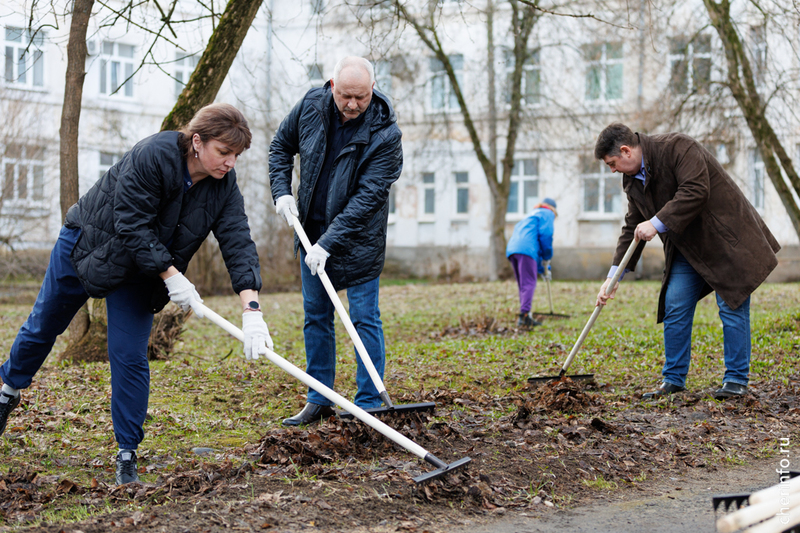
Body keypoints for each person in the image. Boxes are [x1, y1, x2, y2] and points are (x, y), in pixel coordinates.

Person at [0, 103, 273, 484]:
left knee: (129, 356)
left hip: (143, 271)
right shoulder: (153, 155)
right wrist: (173, 277)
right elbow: (131, 223)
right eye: (224, 152)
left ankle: (127, 454)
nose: (230, 162)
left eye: (236, 155)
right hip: (89, 246)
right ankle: (7, 391)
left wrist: (252, 309)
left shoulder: (223, 185)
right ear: (197, 141)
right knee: (44, 325)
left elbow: (238, 241)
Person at [594, 123, 780, 400]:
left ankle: (736, 380)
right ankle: (673, 380)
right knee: (675, 305)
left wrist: (656, 223)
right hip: (686, 249)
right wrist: (613, 276)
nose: (612, 170)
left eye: (612, 163)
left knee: (732, 305)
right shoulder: (632, 181)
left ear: (626, 151)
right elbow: (632, 225)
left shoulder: (678, 147)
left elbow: (695, 190)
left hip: (725, 241)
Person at [269, 56, 402, 426]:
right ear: (332, 86)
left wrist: (329, 243)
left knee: (363, 319)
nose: (353, 104)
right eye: (345, 95)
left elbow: (368, 198)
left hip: (359, 241)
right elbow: (280, 146)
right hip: (310, 233)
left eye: (361, 96)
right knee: (316, 317)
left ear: (372, 90)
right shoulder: (311, 106)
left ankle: (369, 403)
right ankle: (320, 398)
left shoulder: (386, 134)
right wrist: (282, 192)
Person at [506, 198, 557, 327]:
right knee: (528, 283)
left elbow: (534, 243)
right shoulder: (547, 213)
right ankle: (524, 316)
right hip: (526, 249)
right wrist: (547, 257)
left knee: (523, 284)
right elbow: (546, 235)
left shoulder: (531, 215)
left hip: (513, 249)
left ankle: (525, 314)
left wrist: (544, 269)